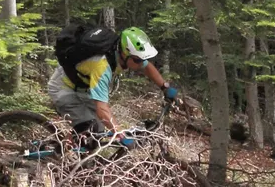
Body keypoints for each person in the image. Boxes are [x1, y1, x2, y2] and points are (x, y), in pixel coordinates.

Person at [47, 24, 178, 136]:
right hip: (63, 88)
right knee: (91, 129)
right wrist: (120, 135)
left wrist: (164, 87)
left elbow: (147, 66)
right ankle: (62, 152)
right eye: (138, 60)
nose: (140, 63)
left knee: (97, 131)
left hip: (84, 88)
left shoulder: (123, 54)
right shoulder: (102, 66)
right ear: (124, 54)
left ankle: (69, 146)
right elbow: (102, 109)